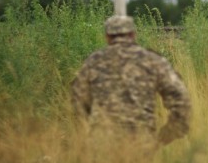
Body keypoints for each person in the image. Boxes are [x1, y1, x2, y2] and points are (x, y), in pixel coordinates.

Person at [71, 15, 192, 149]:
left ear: (107, 37)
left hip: (102, 145)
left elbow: (78, 100)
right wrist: (166, 136)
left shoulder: (93, 61)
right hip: (141, 144)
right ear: (133, 34)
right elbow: (181, 100)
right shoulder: (152, 61)